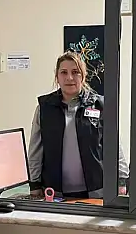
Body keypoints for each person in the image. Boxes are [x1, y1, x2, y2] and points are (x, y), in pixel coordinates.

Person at [28, 51, 129, 199]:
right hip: (55, 193)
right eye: (64, 72)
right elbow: (35, 150)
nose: (69, 77)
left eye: (75, 72)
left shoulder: (100, 105)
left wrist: (121, 179)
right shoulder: (44, 108)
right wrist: (34, 183)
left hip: (96, 191)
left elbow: (114, 146)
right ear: (57, 77)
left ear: (83, 75)